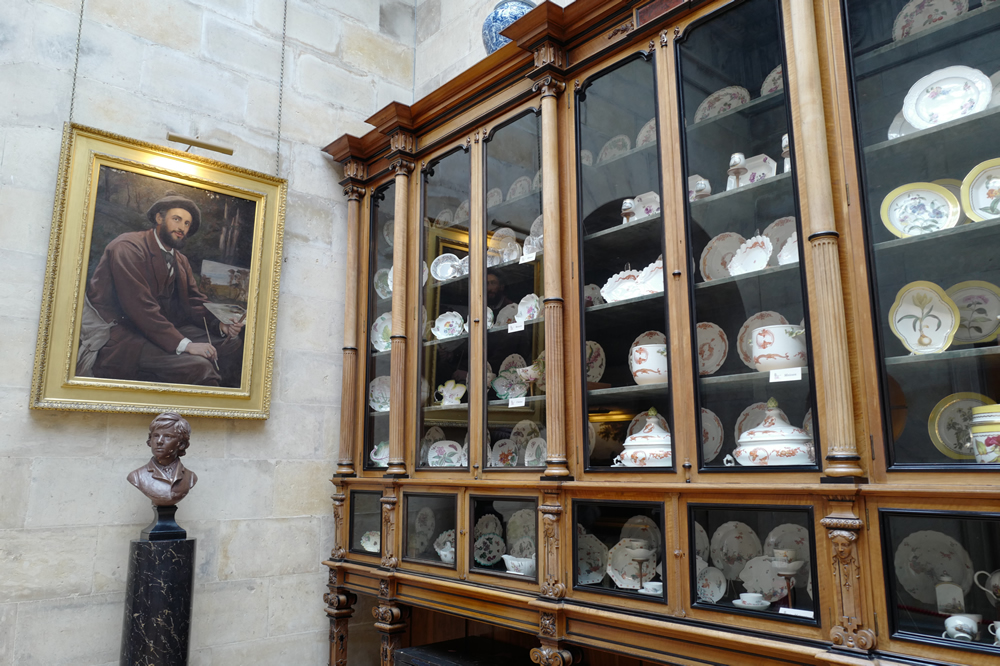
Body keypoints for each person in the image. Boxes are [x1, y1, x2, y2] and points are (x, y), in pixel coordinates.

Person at [83, 193, 244, 386]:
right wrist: (187, 345)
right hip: (124, 335)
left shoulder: (180, 260)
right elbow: (141, 309)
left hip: (161, 330)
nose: (182, 227)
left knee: (231, 342)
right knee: (200, 367)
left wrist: (220, 324)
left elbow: (194, 302)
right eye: (177, 219)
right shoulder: (127, 247)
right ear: (159, 218)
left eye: (187, 223)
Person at [127, 412, 198, 506]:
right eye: (156, 436)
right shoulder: (137, 476)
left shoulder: (191, 477)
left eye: (168, 436)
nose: (159, 441)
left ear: (181, 444)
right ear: (150, 440)